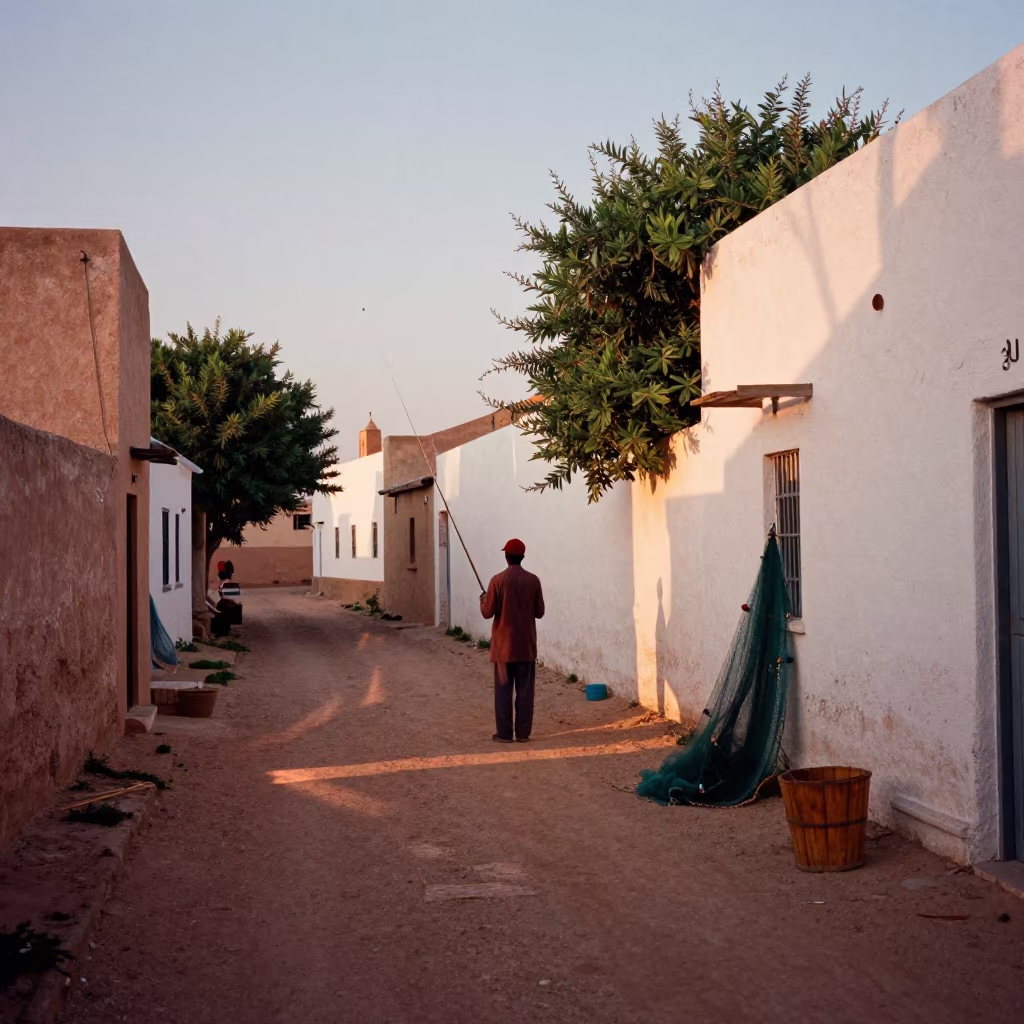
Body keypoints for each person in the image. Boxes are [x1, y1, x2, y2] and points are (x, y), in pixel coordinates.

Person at [479, 538, 545, 743]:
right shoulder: (533, 580)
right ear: (522, 557)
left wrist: (483, 600)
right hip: (526, 646)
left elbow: (487, 613)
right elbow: (540, 612)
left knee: (503, 692)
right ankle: (523, 734)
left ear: (506, 557)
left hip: (503, 648)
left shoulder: (497, 580)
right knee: (525, 692)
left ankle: (505, 734)